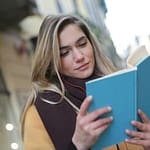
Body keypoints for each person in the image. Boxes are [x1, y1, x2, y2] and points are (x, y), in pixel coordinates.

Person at [21, 14, 150, 150]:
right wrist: (78, 145)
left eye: (82, 44)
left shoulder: (120, 86)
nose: (79, 56)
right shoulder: (39, 111)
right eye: (64, 53)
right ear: (51, 61)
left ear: (91, 43)